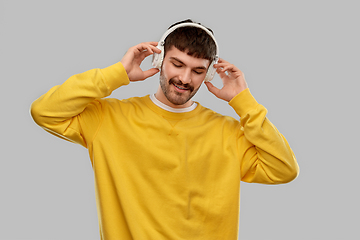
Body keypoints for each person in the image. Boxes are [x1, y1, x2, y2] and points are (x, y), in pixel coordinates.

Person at [30, 19, 299, 240]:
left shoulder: (228, 132)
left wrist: (243, 102)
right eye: (177, 64)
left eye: (197, 70)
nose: (184, 78)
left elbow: (284, 169)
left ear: (208, 74)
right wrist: (118, 73)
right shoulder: (108, 118)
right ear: (160, 61)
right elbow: (45, 112)